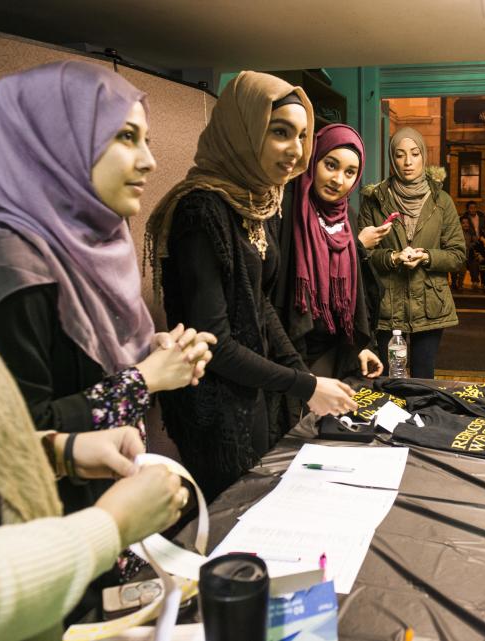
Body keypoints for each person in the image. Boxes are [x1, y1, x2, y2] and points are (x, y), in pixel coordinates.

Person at [0, 2, 186, 639]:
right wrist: (142, 382)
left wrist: (64, 450)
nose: (149, 161)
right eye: (125, 136)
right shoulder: (3, 264)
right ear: (57, 144)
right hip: (27, 567)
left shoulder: (87, 248)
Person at [145, 71, 357, 500]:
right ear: (243, 129)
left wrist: (302, 374)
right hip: (216, 407)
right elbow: (216, 342)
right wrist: (306, 385)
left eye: (302, 136)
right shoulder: (201, 209)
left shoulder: (258, 202)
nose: (295, 150)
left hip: (251, 390)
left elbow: (258, 304)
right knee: (234, 515)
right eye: (280, 132)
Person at [269, 123, 383, 380]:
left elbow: (357, 292)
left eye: (350, 172)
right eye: (330, 165)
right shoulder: (285, 206)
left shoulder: (348, 218)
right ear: (313, 159)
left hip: (333, 351)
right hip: (288, 352)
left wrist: (362, 348)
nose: (338, 180)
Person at [358, 126, 465, 379]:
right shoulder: (374, 200)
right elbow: (360, 254)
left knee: (422, 378)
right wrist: (392, 257)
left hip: (430, 305)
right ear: (391, 158)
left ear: (423, 157)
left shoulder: (442, 201)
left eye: (415, 154)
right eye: (400, 154)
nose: (407, 162)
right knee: (386, 379)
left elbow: (458, 254)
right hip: (387, 305)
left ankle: (420, 420)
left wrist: (426, 256)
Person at [454, 215, 477, 290]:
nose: (466, 224)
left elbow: (476, 242)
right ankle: (456, 284)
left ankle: (462, 285)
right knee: (458, 271)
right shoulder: (457, 233)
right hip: (458, 255)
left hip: (467, 255)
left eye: (467, 223)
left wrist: (471, 244)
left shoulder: (471, 233)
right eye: (463, 223)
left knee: (466, 270)